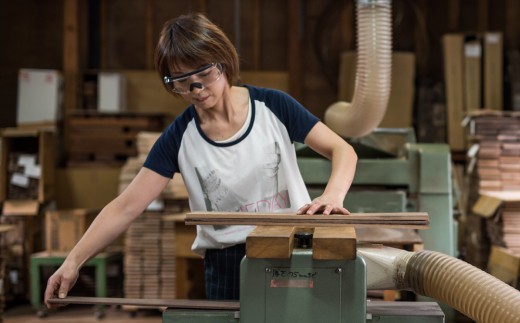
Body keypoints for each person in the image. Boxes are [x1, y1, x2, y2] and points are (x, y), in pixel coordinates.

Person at [44, 12, 357, 305]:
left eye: (204, 73)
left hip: (293, 249)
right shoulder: (180, 137)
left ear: (223, 62)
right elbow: (125, 207)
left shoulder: (272, 106)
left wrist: (332, 195)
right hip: (227, 266)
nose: (196, 89)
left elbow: (343, 150)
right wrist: (72, 262)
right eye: (180, 81)